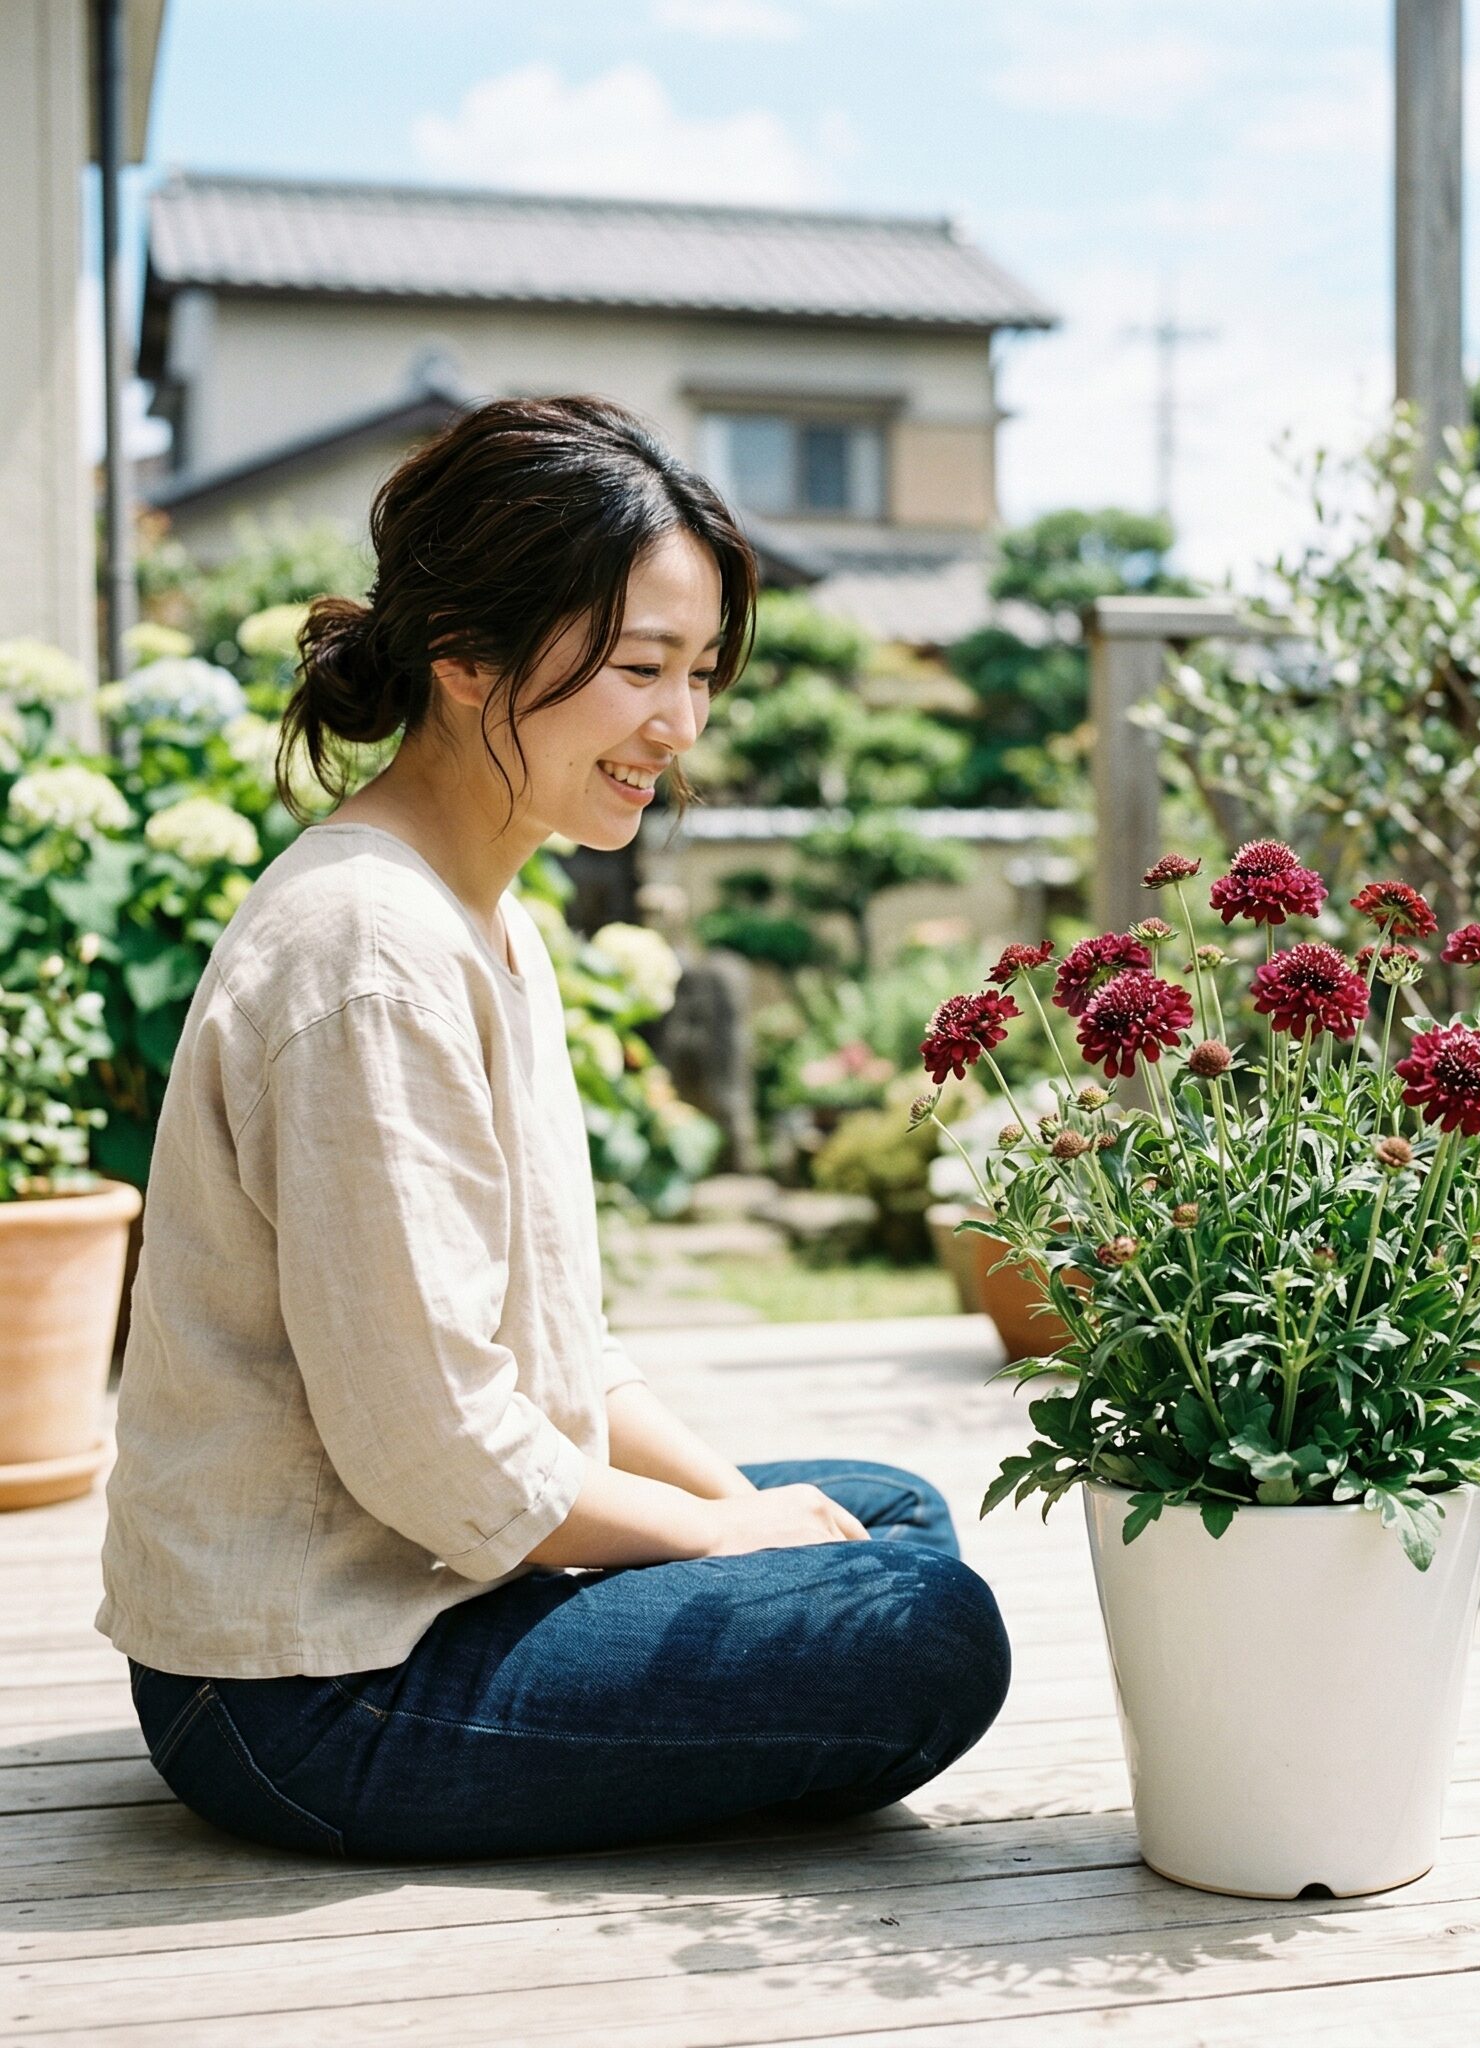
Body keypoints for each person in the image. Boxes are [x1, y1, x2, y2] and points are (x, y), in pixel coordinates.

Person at [96, 396, 1010, 1861]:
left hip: (445, 1580)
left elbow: (564, 1358)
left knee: (881, 1518)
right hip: (308, 1687)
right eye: (641, 668)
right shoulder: (370, 952)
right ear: (465, 656)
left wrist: (749, 1519)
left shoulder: (480, 913)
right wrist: (729, 1543)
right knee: (928, 1628)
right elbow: (434, 1449)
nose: (680, 725)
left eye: (699, 674)